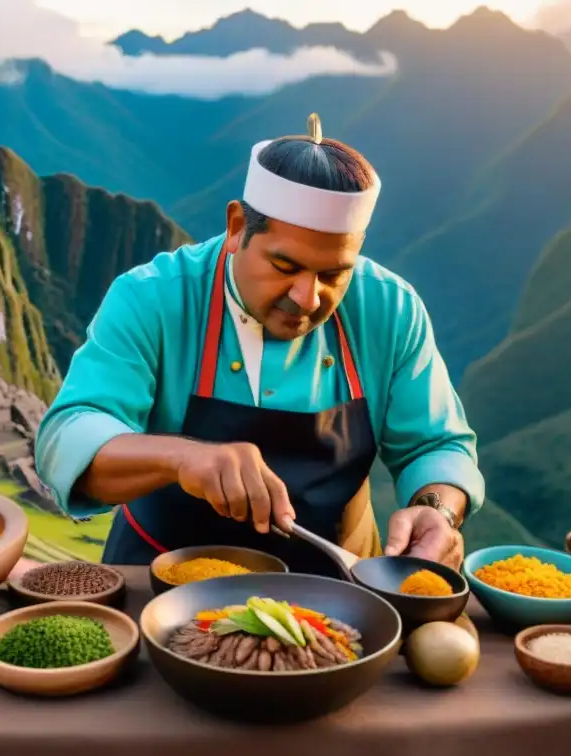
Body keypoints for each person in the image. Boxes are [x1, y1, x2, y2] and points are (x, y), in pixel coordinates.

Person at [35, 114, 485, 575]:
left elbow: (436, 444)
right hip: (163, 578)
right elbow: (69, 434)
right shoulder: (154, 297)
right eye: (285, 265)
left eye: (333, 274)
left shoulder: (390, 308)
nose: (307, 298)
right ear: (236, 227)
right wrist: (183, 456)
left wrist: (439, 509)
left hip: (338, 582)